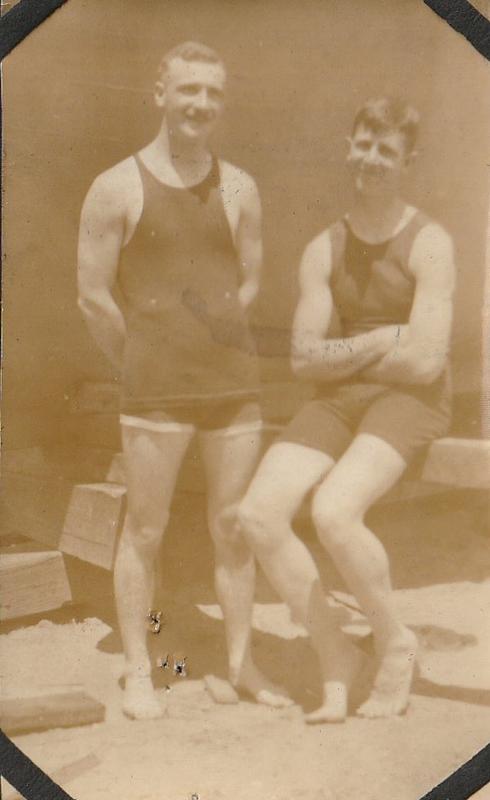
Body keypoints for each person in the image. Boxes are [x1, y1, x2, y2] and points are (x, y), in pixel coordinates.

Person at [77, 41, 290, 719]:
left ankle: (240, 663)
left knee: (233, 529)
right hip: (155, 392)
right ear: (160, 93)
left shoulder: (239, 187)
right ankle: (141, 670)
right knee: (145, 530)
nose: (200, 104)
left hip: (232, 387)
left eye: (212, 93)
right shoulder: (116, 186)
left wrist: (211, 341)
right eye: (188, 89)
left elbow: (249, 281)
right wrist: (140, 362)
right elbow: (92, 297)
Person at [238, 97, 455, 722]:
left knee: (334, 511)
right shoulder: (323, 247)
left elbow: (424, 364)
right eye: (364, 145)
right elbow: (303, 361)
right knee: (258, 514)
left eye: (387, 151)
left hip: (410, 401)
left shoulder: (429, 242)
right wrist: (376, 340)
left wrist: (349, 354)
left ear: (408, 161)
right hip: (341, 399)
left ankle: (394, 642)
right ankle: (336, 651)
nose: (372, 161)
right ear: (348, 147)